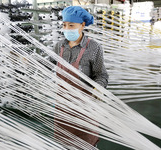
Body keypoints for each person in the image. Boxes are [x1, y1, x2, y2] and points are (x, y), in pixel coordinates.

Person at [52, 6, 109, 148]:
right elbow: (48, 63)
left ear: (82, 25)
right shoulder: (59, 46)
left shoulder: (94, 47)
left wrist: (98, 87)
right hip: (63, 105)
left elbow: (101, 74)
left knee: (86, 143)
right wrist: (29, 60)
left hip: (84, 107)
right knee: (65, 142)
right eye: (64, 25)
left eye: (71, 25)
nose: (66, 28)